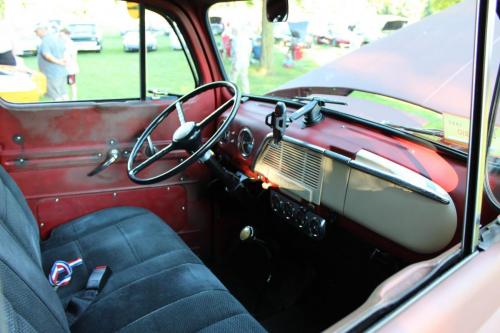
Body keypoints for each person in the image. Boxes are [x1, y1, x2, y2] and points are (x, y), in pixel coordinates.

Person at [35, 23, 68, 101]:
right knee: (63, 93)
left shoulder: (45, 40)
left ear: (42, 30)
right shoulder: (56, 38)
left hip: (51, 74)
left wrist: (59, 62)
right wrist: (63, 60)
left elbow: (47, 55)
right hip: (61, 72)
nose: (36, 34)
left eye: (36, 31)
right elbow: (64, 50)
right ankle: (70, 110)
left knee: (56, 96)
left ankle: (60, 112)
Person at [230, 21, 252, 94]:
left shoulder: (237, 39)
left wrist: (235, 63)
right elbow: (249, 52)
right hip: (245, 61)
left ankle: (231, 92)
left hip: (238, 61)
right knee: (244, 77)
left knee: (233, 78)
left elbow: (236, 52)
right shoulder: (248, 40)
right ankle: (246, 92)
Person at [60, 28, 79, 100]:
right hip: (62, 66)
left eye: (62, 35)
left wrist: (72, 66)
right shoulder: (61, 43)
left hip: (70, 67)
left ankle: (74, 98)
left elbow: (73, 56)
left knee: (72, 83)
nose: (61, 37)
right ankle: (65, 98)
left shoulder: (71, 44)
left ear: (67, 35)